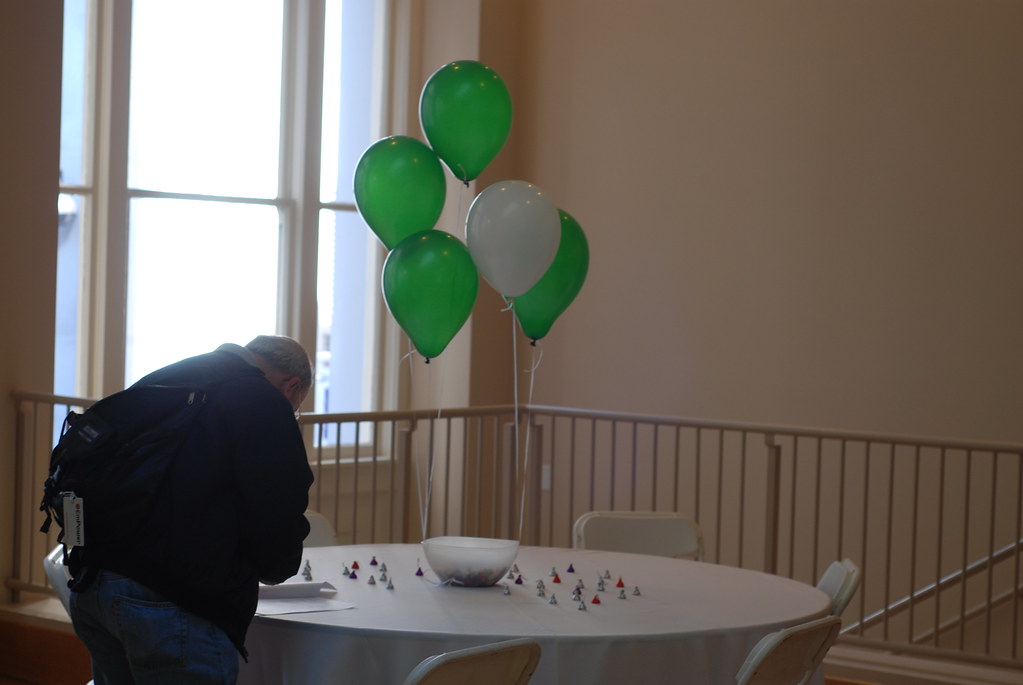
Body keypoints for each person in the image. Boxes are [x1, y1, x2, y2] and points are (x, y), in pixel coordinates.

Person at [68, 335, 315, 685]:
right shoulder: (262, 400)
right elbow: (275, 503)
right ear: (291, 387)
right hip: (173, 604)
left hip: (95, 586)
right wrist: (276, 566)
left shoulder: (174, 375)